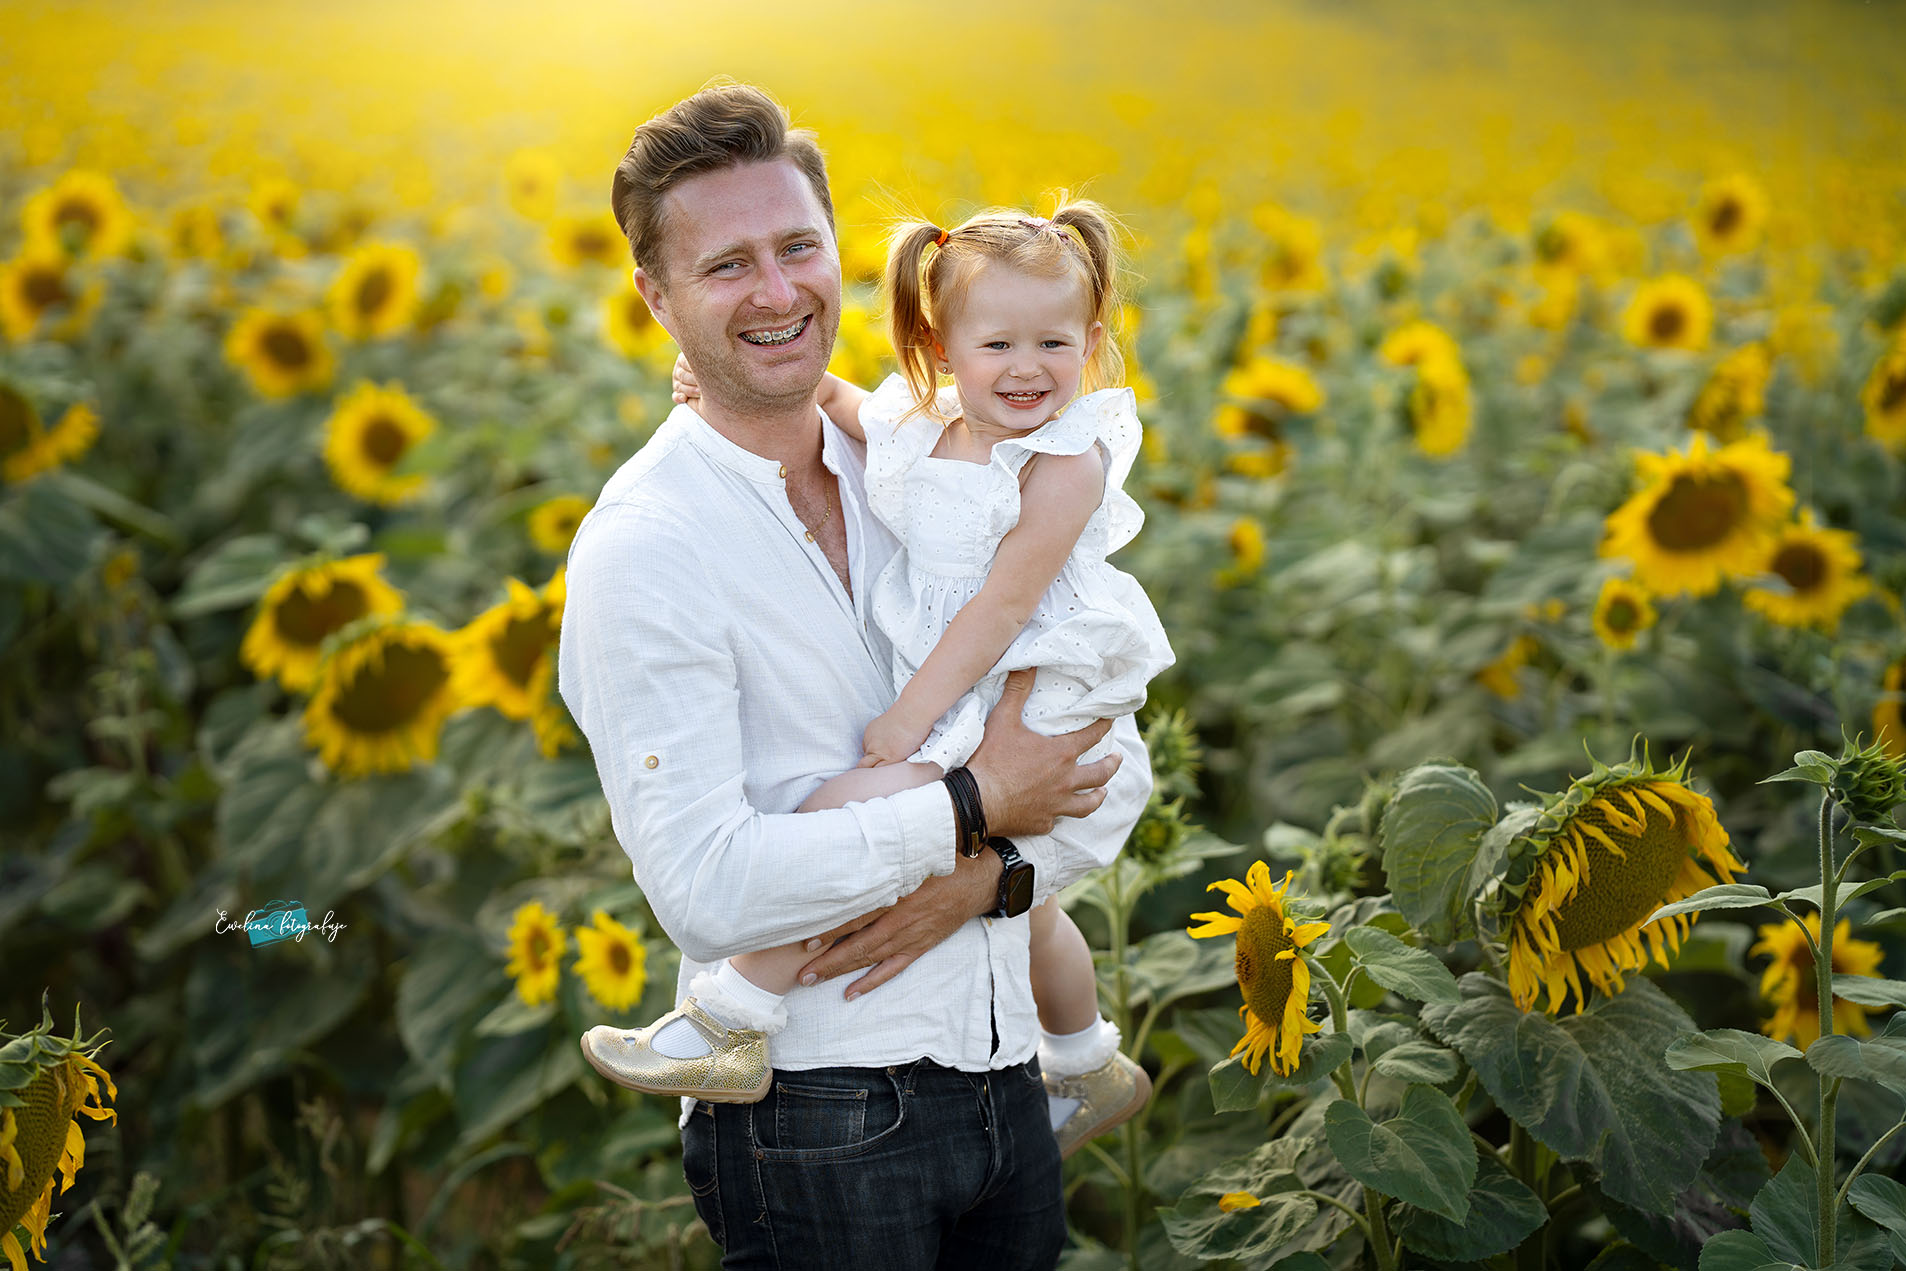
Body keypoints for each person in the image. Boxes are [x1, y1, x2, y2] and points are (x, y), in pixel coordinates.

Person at [556, 82, 1152, 1270]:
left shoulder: (937, 469)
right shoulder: (647, 544)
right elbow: (710, 892)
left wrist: (985, 882)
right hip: (816, 1117)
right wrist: (971, 812)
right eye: (727, 265)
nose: (778, 293)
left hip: (1007, 1082)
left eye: (797, 247)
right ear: (655, 296)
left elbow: (1108, 769)